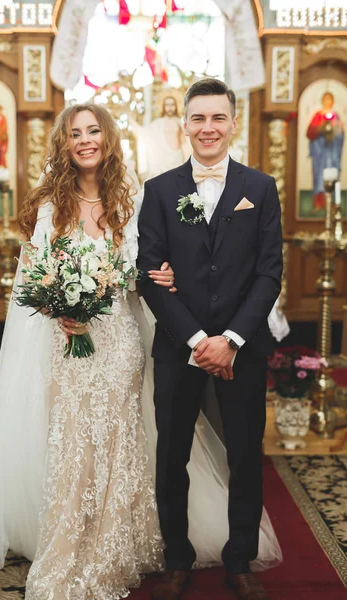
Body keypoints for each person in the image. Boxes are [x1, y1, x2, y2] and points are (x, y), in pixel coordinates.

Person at [0, 102, 281, 600]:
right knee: (72, 443)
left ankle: (119, 544)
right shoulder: (49, 206)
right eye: (76, 133)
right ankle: (71, 545)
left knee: (120, 439)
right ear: (64, 144)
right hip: (68, 343)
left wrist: (164, 274)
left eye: (94, 130)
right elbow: (31, 279)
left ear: (108, 138)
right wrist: (58, 309)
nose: (86, 140)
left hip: (119, 341)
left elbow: (144, 268)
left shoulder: (131, 199)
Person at [137, 78, 283, 600]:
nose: (208, 127)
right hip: (180, 348)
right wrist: (201, 339)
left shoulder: (261, 189)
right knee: (171, 457)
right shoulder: (159, 191)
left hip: (242, 349)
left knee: (245, 456)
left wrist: (233, 339)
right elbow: (147, 274)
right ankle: (176, 558)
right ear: (185, 125)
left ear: (233, 123)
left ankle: (239, 560)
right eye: (198, 118)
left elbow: (270, 274)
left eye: (217, 117)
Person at [131, 95, 190, 181]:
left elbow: (185, 143)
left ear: (176, 106)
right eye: (167, 105)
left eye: (172, 105)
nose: (170, 108)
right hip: (162, 160)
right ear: (163, 107)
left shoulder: (180, 123)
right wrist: (132, 122)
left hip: (177, 158)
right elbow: (145, 134)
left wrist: (186, 160)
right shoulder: (157, 124)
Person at [306, 91, 344, 211]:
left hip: (332, 153)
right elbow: (310, 133)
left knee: (332, 175)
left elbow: (340, 136)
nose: (328, 102)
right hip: (320, 153)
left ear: (332, 101)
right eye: (326, 99)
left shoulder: (336, 116)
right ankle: (319, 203)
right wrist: (320, 128)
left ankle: (333, 203)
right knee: (319, 176)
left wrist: (337, 130)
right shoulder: (318, 115)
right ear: (323, 101)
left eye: (330, 100)